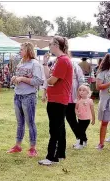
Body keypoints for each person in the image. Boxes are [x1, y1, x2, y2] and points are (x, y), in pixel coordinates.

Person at [40, 36, 73, 165]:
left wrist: (46, 82)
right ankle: (60, 154)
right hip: (55, 98)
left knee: (54, 128)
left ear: (56, 45)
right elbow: (49, 76)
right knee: (59, 127)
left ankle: (51, 157)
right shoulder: (58, 60)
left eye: (51, 44)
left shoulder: (63, 61)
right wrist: (44, 63)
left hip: (59, 99)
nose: (49, 46)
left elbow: (52, 80)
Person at [7, 42, 44, 157]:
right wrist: (14, 78)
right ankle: (18, 145)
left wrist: (22, 78)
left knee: (30, 122)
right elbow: (18, 77)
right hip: (18, 95)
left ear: (28, 50)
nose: (20, 51)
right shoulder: (21, 63)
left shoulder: (35, 64)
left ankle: (33, 148)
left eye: (22, 49)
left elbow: (38, 81)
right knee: (20, 122)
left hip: (29, 96)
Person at [74, 84, 95, 149]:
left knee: (82, 131)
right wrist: (77, 113)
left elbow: (92, 110)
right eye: (80, 90)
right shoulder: (78, 101)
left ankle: (81, 144)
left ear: (88, 92)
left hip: (87, 119)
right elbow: (76, 108)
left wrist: (93, 119)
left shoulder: (90, 101)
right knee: (81, 130)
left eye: (83, 90)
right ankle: (85, 140)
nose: (81, 92)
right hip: (80, 119)